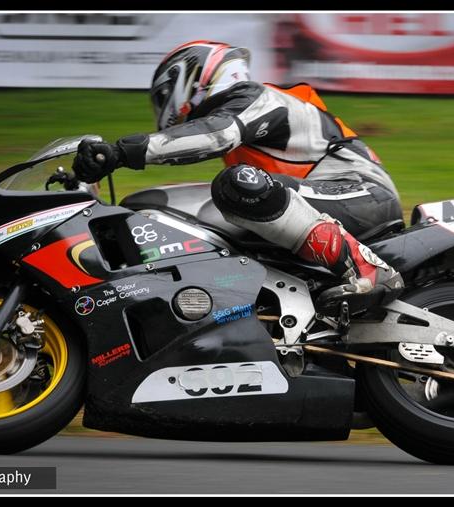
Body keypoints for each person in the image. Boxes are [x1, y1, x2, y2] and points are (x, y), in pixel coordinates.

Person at [72, 40, 404, 312]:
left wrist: (121, 152)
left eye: (163, 97)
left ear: (192, 76)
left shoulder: (258, 97)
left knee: (236, 185)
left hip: (361, 193)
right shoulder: (244, 127)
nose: (164, 110)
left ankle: (369, 269)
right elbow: (197, 145)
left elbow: (214, 134)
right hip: (323, 199)